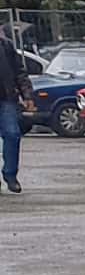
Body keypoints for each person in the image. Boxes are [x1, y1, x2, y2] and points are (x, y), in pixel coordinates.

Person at [0, 37, 32, 193]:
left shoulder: (5, 45)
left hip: (6, 98)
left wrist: (27, 95)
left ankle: (10, 175)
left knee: (12, 134)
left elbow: (19, 71)